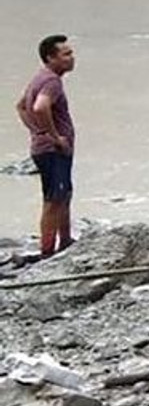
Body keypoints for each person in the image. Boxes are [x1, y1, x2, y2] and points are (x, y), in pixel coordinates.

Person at [15, 35, 77, 258]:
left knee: (64, 194)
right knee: (53, 199)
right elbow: (41, 107)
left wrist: (36, 131)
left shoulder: (40, 77)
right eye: (66, 54)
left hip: (46, 147)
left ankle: (66, 240)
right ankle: (47, 251)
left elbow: (22, 106)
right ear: (50, 58)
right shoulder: (51, 81)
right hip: (53, 151)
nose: (72, 58)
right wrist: (54, 137)